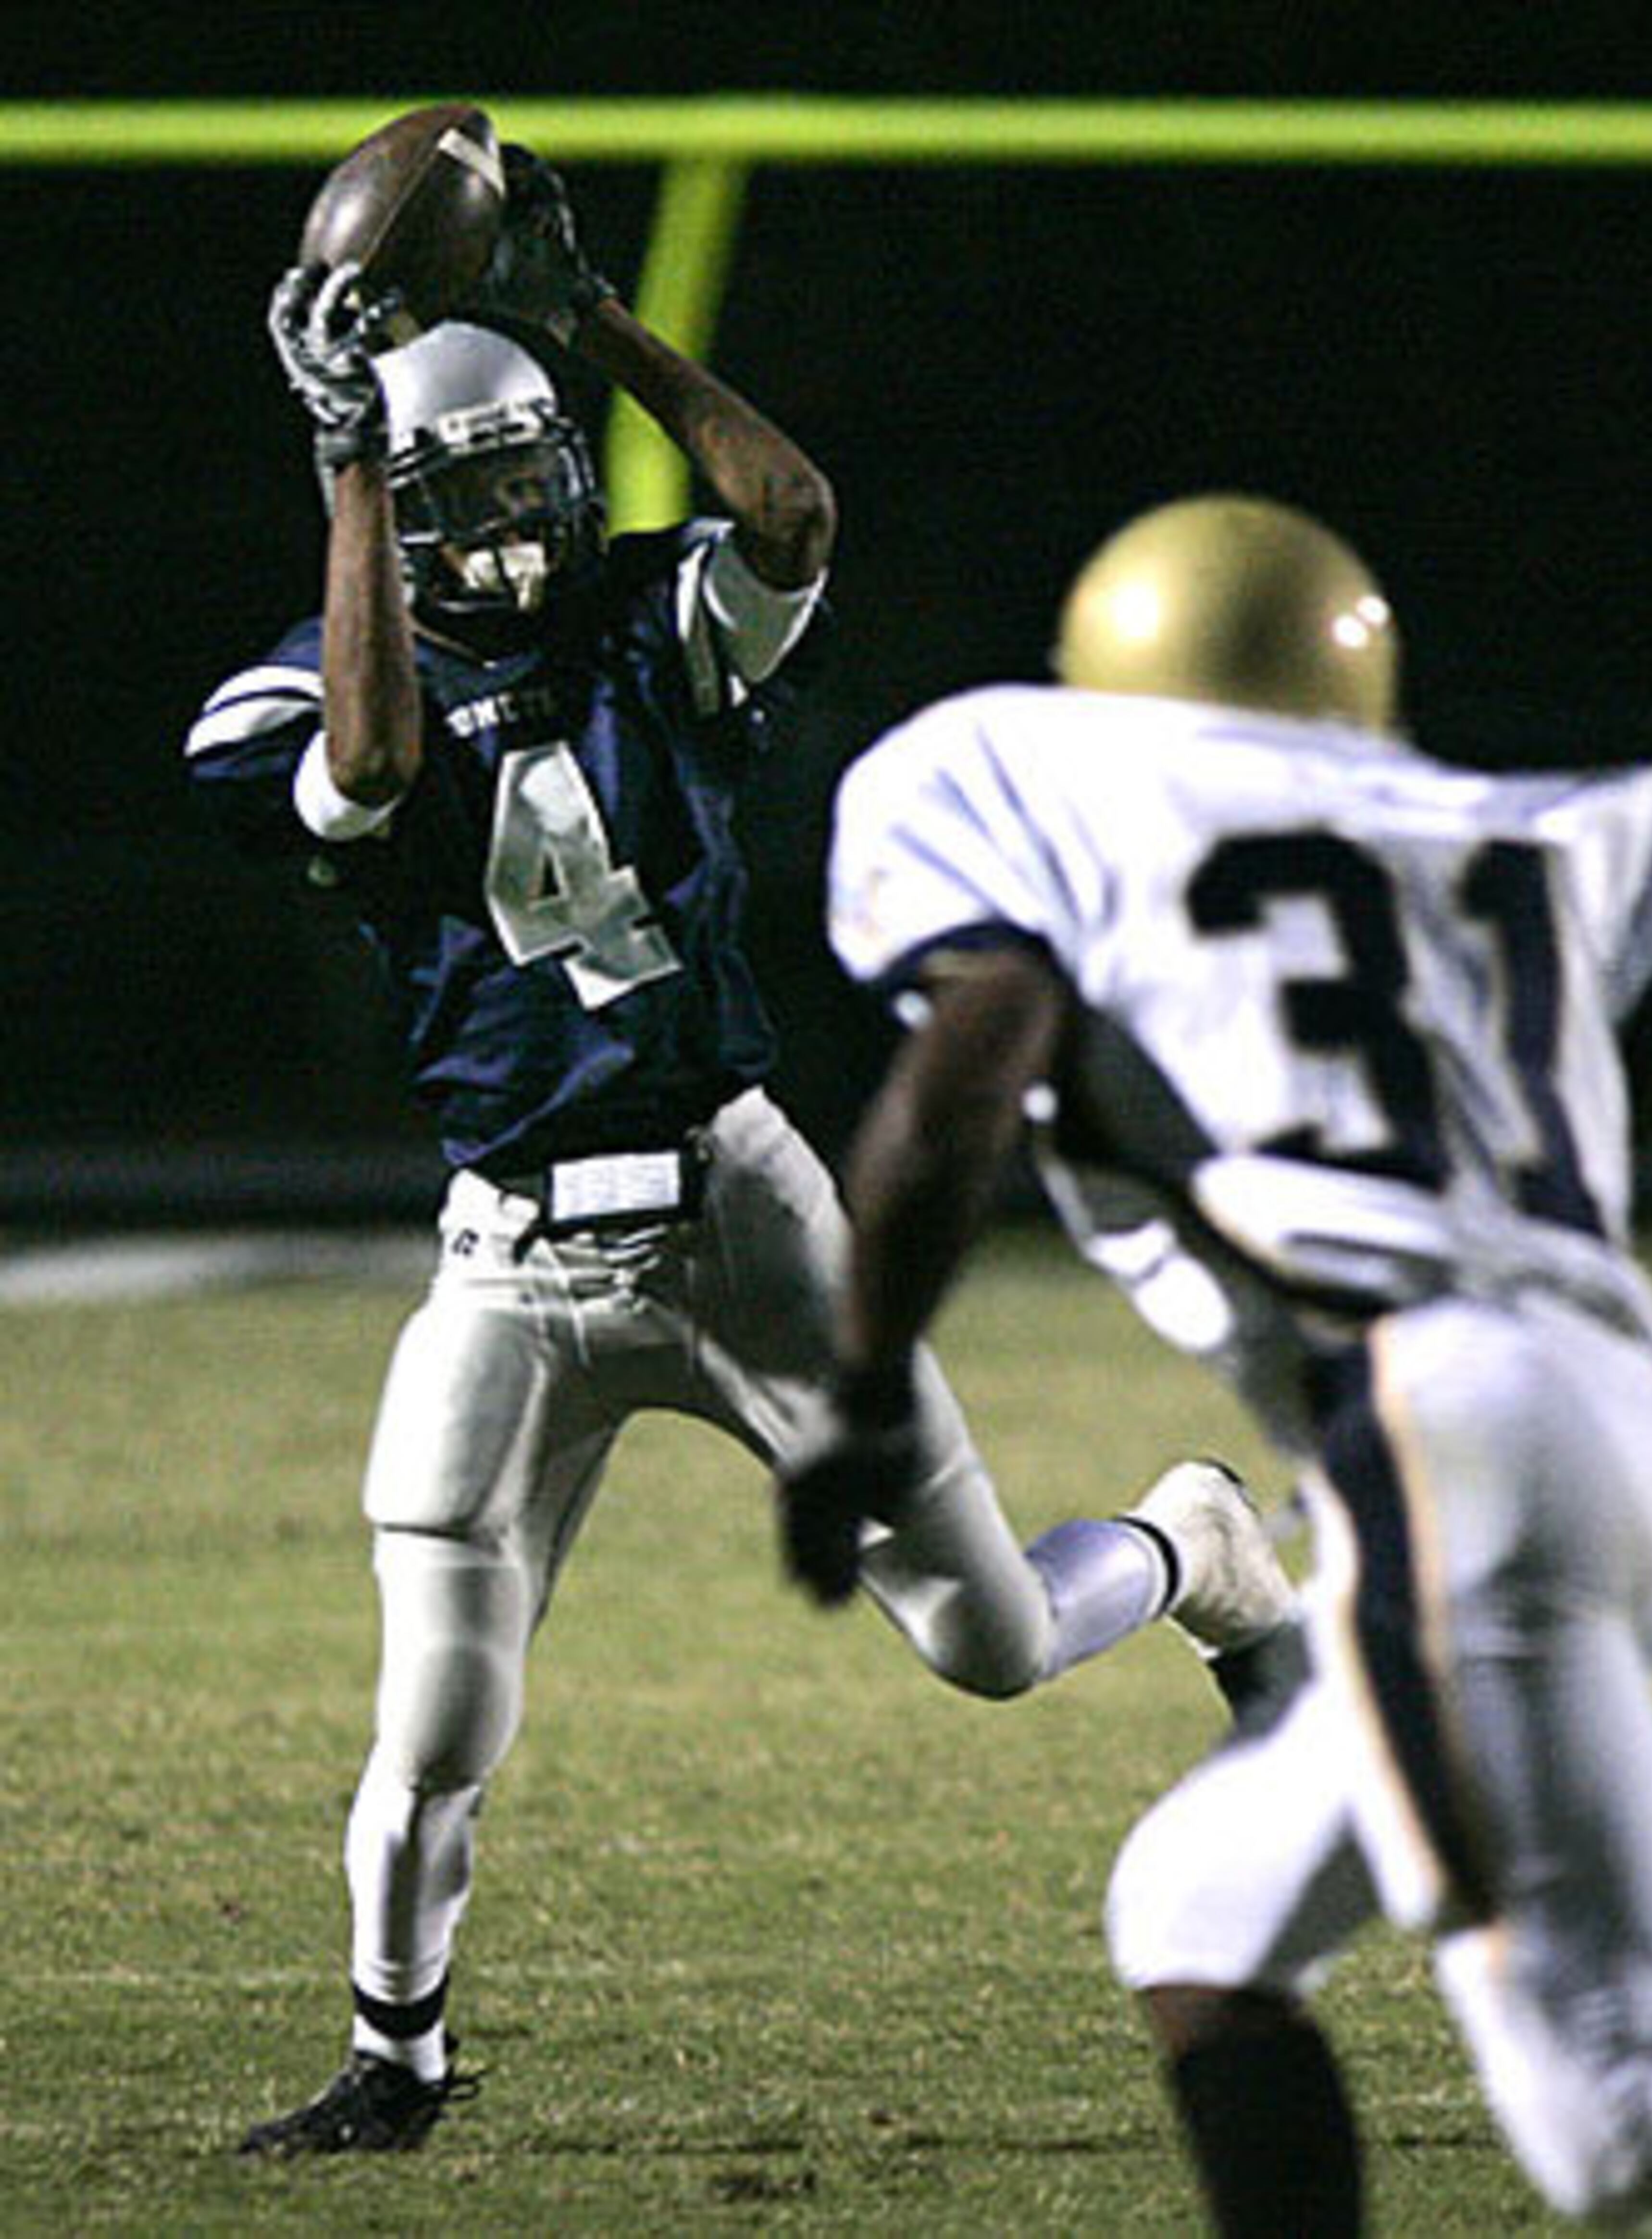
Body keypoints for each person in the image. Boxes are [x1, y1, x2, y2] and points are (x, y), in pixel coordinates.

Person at [186, 156, 1297, 2158]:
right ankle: (397, 2065)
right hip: (512, 1257)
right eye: (464, 494)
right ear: (391, 514)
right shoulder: (313, 674)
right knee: (438, 1712)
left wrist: (588, 314)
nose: (515, 522)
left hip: (744, 1205)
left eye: (534, 474)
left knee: (992, 1643)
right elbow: (361, 767)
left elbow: (788, 513)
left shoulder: (648, 628)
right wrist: (355, 464)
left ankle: (1195, 1543)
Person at [783, 491, 1652, 2230]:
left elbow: (975, 1056)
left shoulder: (1030, 779)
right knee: (1197, 1908)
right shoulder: (1534, 832)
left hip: (1438, 1437)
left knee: (1616, 2120)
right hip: (1619, 1434)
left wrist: (869, 1378)